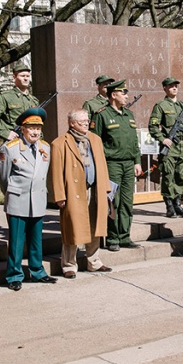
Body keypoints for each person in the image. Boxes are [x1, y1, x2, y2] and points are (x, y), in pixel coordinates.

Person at [49, 109, 113, 278]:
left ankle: (94, 262)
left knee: (95, 225)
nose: (86, 123)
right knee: (72, 228)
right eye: (82, 121)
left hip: (94, 189)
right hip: (73, 191)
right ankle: (69, 264)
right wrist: (60, 196)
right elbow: (56, 172)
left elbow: (102, 165)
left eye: (86, 120)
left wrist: (106, 188)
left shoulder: (95, 139)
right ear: (72, 123)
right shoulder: (59, 143)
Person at [0, 107, 56, 289]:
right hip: (18, 199)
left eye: (38, 128)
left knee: (36, 239)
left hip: (38, 200)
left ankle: (37, 271)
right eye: (31, 128)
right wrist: (12, 194)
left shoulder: (45, 147)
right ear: (22, 129)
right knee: (16, 241)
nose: (35, 132)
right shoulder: (10, 149)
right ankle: (14, 275)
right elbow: (3, 178)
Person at [90, 80, 143, 251]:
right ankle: (113, 238)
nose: (127, 96)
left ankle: (125, 236)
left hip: (128, 164)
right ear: (113, 95)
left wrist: (137, 161)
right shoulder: (101, 115)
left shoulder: (129, 115)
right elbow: (95, 142)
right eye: (123, 93)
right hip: (111, 164)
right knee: (113, 202)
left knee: (127, 202)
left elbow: (134, 141)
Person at [149, 76, 183, 219]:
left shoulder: (182, 106)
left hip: (181, 147)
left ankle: (178, 204)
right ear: (165, 88)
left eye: (176, 86)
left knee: (179, 175)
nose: (174, 88)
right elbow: (153, 126)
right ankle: (169, 206)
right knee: (168, 176)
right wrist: (162, 139)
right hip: (169, 147)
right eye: (171, 86)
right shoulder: (160, 106)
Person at [0, 62, 40, 141]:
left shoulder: (33, 100)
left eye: (28, 76)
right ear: (14, 77)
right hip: (15, 141)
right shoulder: (5, 97)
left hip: (32, 141)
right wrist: (6, 133)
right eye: (22, 76)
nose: (26, 78)